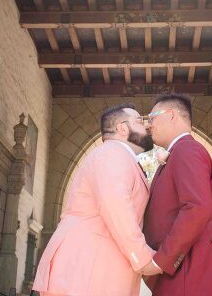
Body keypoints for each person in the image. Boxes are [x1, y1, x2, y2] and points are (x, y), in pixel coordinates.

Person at [32, 103, 161, 296]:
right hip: (85, 270)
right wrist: (144, 259)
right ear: (122, 128)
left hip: (98, 271)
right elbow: (118, 210)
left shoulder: (120, 157)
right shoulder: (111, 153)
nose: (147, 126)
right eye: (139, 121)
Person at [142, 93, 212, 296]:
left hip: (190, 270)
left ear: (172, 115)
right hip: (181, 271)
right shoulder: (178, 152)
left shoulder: (187, 150)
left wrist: (161, 260)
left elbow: (196, 208)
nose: (149, 125)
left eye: (152, 117)